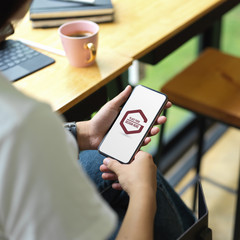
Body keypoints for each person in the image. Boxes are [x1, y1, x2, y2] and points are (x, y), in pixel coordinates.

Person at [0, 1, 195, 239]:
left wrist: (86, 132)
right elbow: (21, 135)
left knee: (104, 155)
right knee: (140, 173)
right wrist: (144, 192)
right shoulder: (22, 121)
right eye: (8, 28)